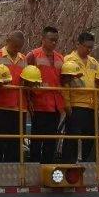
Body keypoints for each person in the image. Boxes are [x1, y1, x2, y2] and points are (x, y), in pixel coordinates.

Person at [26, 26, 65, 163]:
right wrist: (28, 100)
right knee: (37, 138)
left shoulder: (60, 58)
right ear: (43, 39)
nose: (54, 43)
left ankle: (48, 165)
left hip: (55, 105)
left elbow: (63, 81)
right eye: (51, 40)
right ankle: (35, 164)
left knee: (51, 138)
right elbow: (25, 80)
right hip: (39, 103)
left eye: (56, 40)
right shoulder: (33, 55)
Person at [61, 32, 99, 163]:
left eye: (91, 47)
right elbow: (64, 83)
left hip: (91, 106)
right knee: (72, 138)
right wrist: (66, 103)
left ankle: (89, 166)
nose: (88, 50)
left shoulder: (93, 62)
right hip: (76, 105)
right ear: (78, 44)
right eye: (86, 47)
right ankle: (68, 165)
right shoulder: (68, 60)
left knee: (90, 139)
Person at [0, 31, 28, 162]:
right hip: (0, 106)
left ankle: (14, 171)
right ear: (8, 41)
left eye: (19, 47)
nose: (16, 49)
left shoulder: (24, 59)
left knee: (15, 144)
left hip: (19, 107)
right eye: (15, 45)